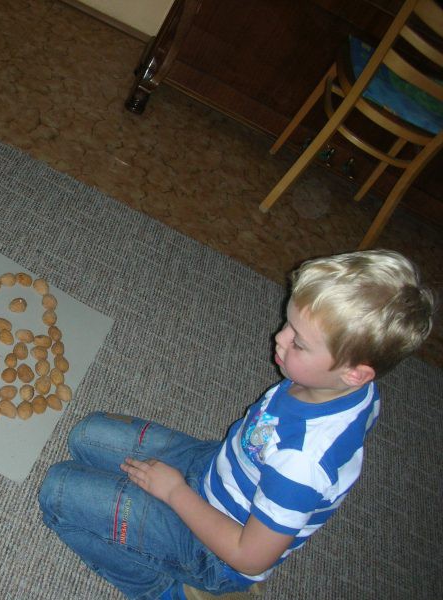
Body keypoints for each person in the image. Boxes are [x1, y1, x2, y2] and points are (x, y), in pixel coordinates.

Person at [38, 249, 435, 599]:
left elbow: (250, 556)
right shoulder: (350, 387)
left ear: (354, 373)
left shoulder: (302, 463)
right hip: (216, 467)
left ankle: (166, 590)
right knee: (85, 435)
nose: (279, 338)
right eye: (288, 323)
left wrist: (175, 492)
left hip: (216, 552)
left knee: (57, 491)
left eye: (298, 343)